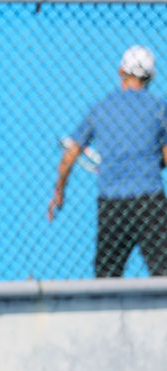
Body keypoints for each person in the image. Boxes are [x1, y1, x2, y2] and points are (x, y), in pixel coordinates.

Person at [48, 45, 167, 277]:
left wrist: (59, 191)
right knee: (163, 272)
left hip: (112, 204)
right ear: (151, 77)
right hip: (150, 201)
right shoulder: (159, 108)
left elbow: (70, 154)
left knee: (107, 277)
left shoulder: (101, 109)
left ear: (120, 71)